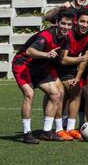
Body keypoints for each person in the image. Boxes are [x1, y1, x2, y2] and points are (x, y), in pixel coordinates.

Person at [12, 10, 74, 144]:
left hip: (39, 67)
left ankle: (46, 132)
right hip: (23, 65)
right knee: (29, 94)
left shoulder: (66, 38)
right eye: (63, 23)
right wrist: (46, 55)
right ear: (57, 23)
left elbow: (62, 59)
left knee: (56, 94)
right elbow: (30, 51)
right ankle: (27, 133)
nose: (65, 27)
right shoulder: (46, 35)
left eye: (69, 24)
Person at [54, 9, 88, 140]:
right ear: (76, 21)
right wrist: (81, 59)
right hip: (54, 65)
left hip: (71, 67)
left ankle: (70, 129)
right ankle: (59, 129)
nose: (85, 25)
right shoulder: (68, 33)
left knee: (76, 90)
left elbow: (86, 57)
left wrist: (78, 77)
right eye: (82, 21)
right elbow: (62, 59)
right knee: (59, 94)